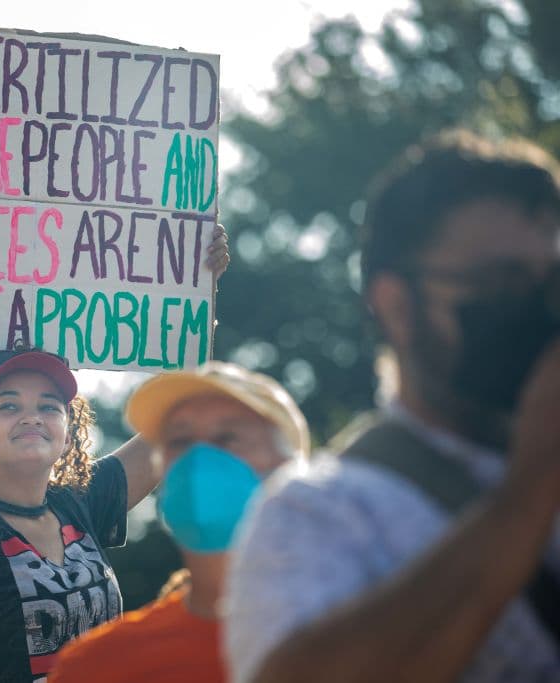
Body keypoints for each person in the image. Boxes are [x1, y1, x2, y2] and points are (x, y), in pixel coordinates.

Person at [224, 130, 560, 682]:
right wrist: (531, 487)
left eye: (549, 284)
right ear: (396, 305)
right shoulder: (320, 512)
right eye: (500, 282)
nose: (535, 310)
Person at [0, 226, 230, 683]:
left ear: (67, 429)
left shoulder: (82, 501)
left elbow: (176, 413)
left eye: (48, 406)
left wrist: (198, 289)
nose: (31, 417)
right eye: (9, 405)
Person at [50, 361, 309, 683]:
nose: (199, 461)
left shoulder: (362, 636)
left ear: (287, 467)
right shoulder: (96, 666)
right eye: (180, 442)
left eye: (228, 438)